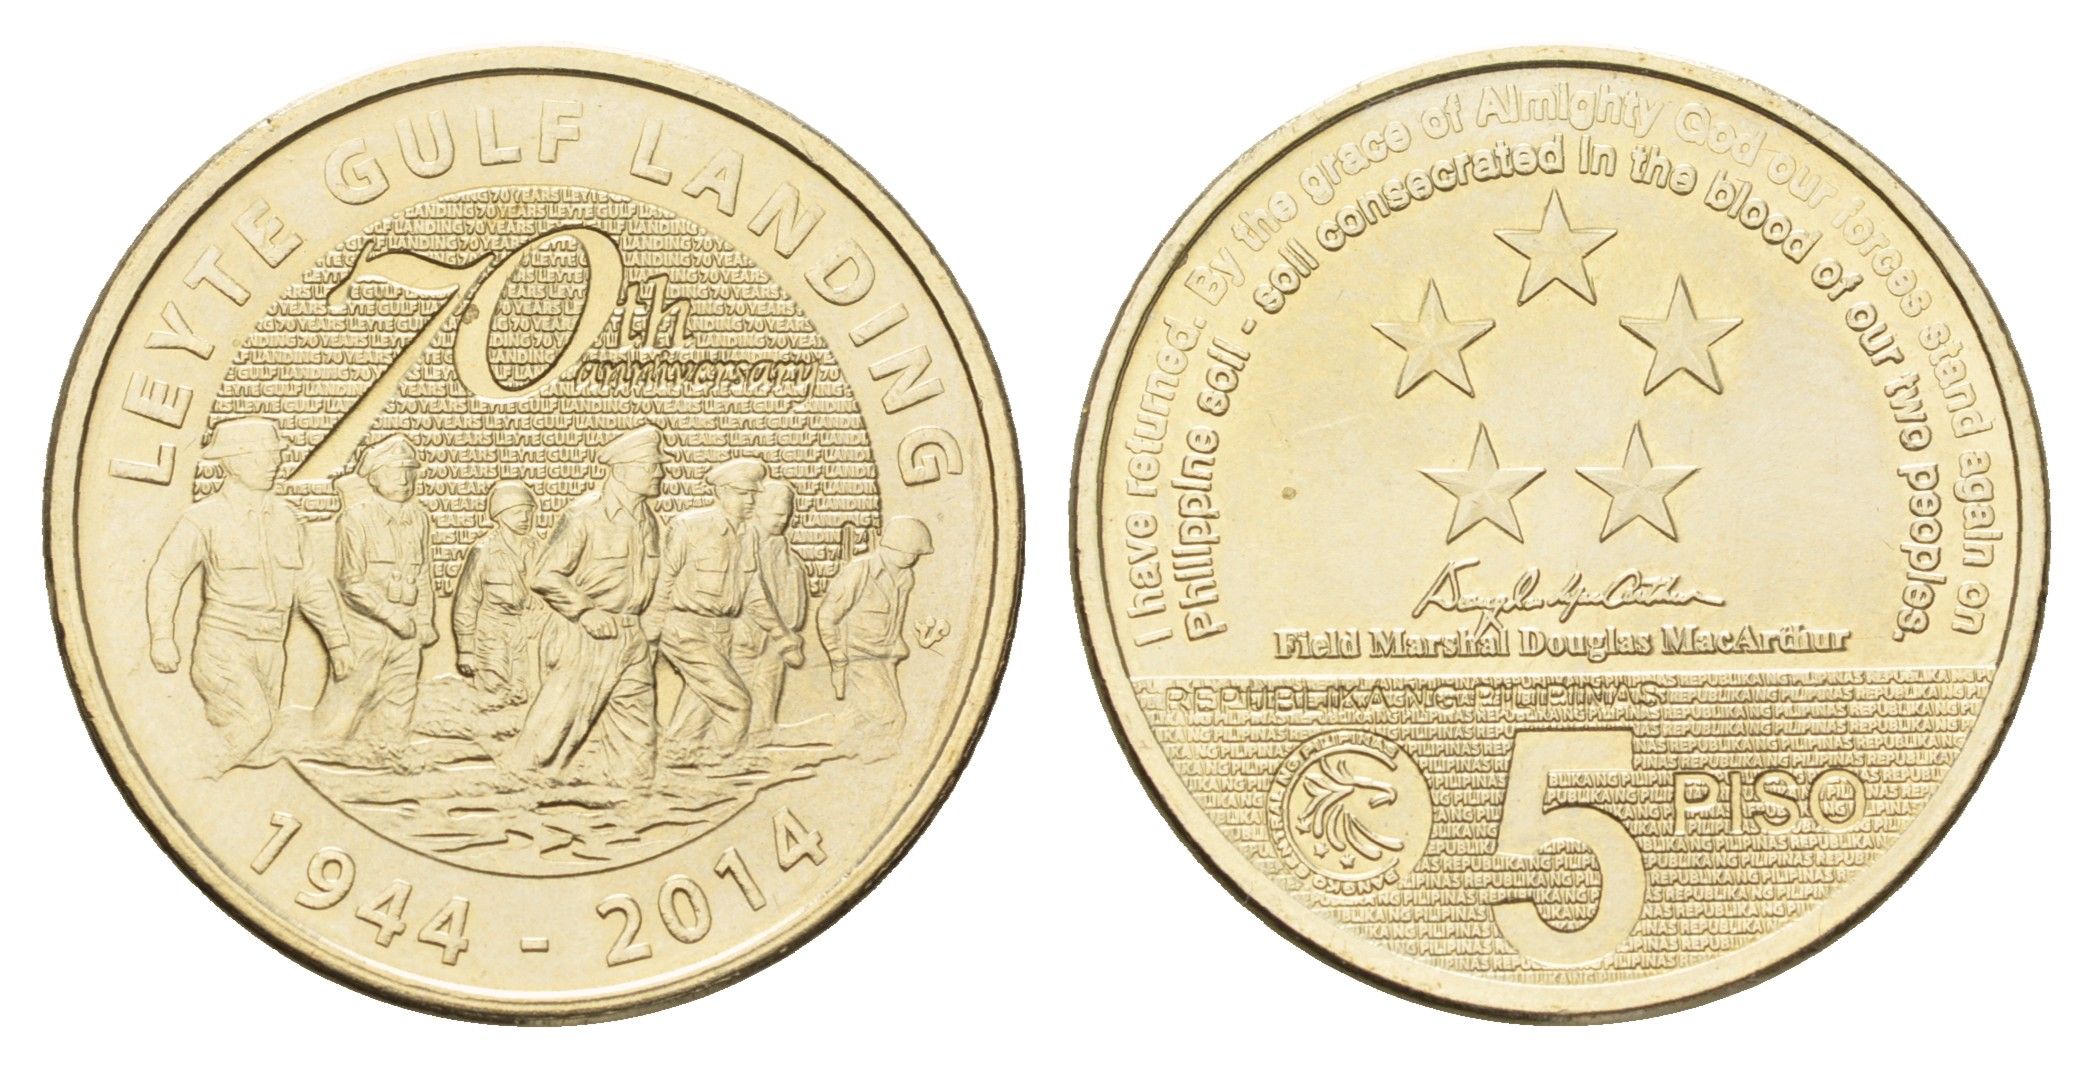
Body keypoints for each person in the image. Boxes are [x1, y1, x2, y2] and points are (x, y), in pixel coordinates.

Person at [146, 417, 352, 772]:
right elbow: (167, 575)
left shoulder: (288, 519)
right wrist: (162, 637)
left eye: (275, 454)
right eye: (263, 455)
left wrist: (337, 641)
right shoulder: (203, 519)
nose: (275, 462)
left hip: (273, 647)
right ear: (233, 462)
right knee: (254, 724)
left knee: (255, 746)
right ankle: (195, 774)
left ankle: (205, 789)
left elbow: (310, 584)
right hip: (225, 645)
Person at [508, 424, 665, 790]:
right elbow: (544, 574)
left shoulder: (648, 520)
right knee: (558, 724)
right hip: (586, 635)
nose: (660, 472)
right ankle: (517, 791)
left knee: (637, 733)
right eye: (651, 465)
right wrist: (584, 611)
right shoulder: (585, 515)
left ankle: (632, 799)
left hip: (631, 636)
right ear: (622, 470)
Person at [653, 457, 792, 763]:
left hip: (721, 631)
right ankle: (728, 759)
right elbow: (663, 578)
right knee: (735, 701)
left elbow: (754, 591)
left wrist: (780, 634)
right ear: (722, 492)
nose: (750, 500)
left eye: (753, 494)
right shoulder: (690, 527)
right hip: (685, 628)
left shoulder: (748, 534)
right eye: (743, 493)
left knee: (703, 700)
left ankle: (677, 753)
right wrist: (651, 630)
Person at [314, 434, 436, 747]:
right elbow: (350, 581)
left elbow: (423, 574)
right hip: (366, 628)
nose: (405, 479)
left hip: (408, 627)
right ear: (374, 477)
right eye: (395, 472)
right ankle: (324, 749)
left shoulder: (419, 518)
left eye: (409, 471)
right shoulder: (356, 518)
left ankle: (389, 754)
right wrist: (390, 615)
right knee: (352, 693)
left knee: (401, 694)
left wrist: (424, 620)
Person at [816, 516, 933, 761]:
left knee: (865, 715)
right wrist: (834, 652)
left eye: (916, 554)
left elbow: (896, 618)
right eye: (910, 552)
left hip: (885, 657)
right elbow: (827, 615)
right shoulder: (859, 572)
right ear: (894, 545)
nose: (913, 559)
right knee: (891, 715)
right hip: (859, 657)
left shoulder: (905, 578)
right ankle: (869, 756)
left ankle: (834, 750)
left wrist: (895, 649)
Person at [453, 480, 546, 705]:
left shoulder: (539, 549)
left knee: (523, 695)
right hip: (491, 635)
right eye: (517, 512)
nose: (525, 518)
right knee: (492, 695)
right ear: (500, 515)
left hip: (528, 634)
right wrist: (466, 650)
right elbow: (467, 601)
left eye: (528, 512)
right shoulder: (484, 551)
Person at [733, 479, 809, 744]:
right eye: (777, 514)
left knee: (765, 699)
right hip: (743, 637)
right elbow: (748, 595)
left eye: (787, 515)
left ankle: (760, 740)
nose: (783, 520)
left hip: (776, 641)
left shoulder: (784, 552)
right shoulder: (739, 544)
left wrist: (789, 630)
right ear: (758, 509)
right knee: (735, 697)